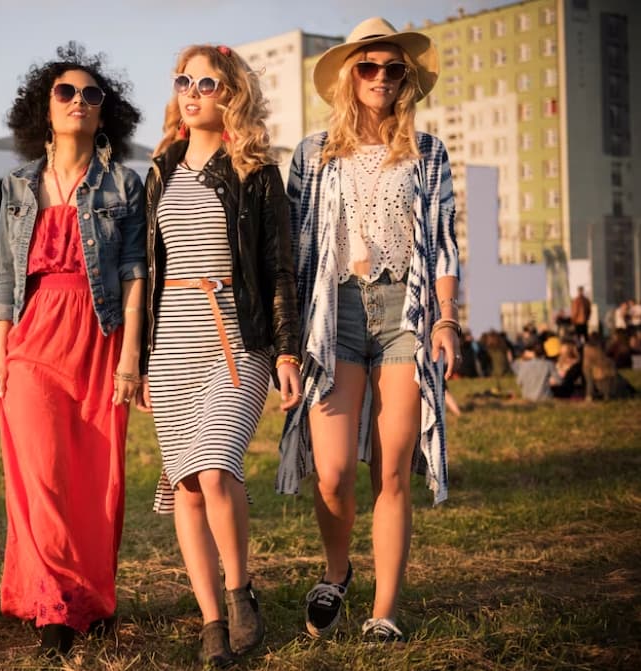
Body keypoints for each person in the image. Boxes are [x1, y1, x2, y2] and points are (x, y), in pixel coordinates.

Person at [277, 18, 460, 645]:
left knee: (393, 465)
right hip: (336, 314)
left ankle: (384, 610)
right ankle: (336, 572)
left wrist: (446, 318)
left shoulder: (429, 152)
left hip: (404, 312)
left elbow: (445, 244)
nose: (381, 77)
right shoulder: (310, 154)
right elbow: (293, 253)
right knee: (331, 472)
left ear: (405, 79)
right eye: (369, 67)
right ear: (349, 77)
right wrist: (290, 341)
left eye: (392, 69)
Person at [138, 44, 301, 667]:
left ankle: (240, 592)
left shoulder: (255, 171)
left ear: (229, 92)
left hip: (236, 335)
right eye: (183, 79)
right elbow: (147, 273)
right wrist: (142, 357)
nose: (192, 90)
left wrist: (286, 353)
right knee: (186, 485)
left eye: (206, 82)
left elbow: (278, 268)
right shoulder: (162, 169)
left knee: (215, 466)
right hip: (173, 340)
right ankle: (210, 619)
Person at [0, 43, 146, 659]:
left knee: (94, 476)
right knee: (44, 473)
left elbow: (135, 276)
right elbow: (6, 276)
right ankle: (55, 602)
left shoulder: (123, 184)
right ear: (43, 108)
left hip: (100, 337)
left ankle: (89, 597)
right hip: (32, 339)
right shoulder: (17, 185)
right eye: (66, 92)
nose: (79, 102)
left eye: (91, 95)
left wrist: (130, 357)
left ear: (105, 113)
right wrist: (0, 352)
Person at [512, 337, 559, 401]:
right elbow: (559, 381)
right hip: (545, 398)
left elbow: (519, 382)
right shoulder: (549, 364)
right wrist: (549, 381)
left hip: (527, 398)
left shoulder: (523, 365)